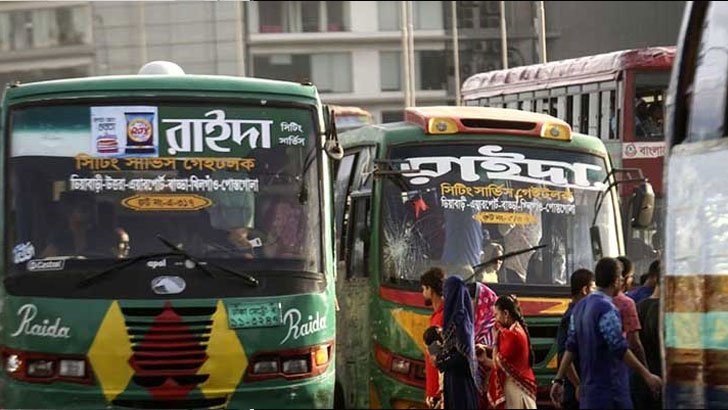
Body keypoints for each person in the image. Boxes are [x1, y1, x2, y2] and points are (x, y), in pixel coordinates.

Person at [550, 257, 662, 409]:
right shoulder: (606, 308)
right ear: (615, 281)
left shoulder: (580, 307)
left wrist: (558, 379)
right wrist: (647, 375)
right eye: (621, 277)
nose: (622, 281)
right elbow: (619, 347)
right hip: (611, 393)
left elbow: (569, 348)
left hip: (589, 395)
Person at [435, 275, 479, 409]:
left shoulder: (462, 321)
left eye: (447, 293)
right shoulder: (451, 321)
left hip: (461, 382)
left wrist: (443, 361)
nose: (444, 298)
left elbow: (463, 356)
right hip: (452, 378)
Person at [555, 269, 596, 410]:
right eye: (593, 288)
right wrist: (578, 385)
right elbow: (564, 355)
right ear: (585, 290)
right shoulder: (572, 316)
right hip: (576, 391)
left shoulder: (580, 313)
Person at [487, 295, 537, 409]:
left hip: (515, 392)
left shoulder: (513, 335)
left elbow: (497, 363)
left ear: (506, 313)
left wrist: (495, 340)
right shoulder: (515, 330)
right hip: (517, 388)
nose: (496, 320)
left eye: (496, 315)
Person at [612, 257, 648, 370]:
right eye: (632, 276)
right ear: (625, 278)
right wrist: (646, 370)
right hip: (619, 368)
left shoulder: (588, 301)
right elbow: (634, 342)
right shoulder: (626, 303)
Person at [632, 276, 662, 409]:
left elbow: (632, 344)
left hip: (639, 378)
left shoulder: (638, 306)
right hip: (660, 378)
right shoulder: (668, 311)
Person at [470, 282, 498, 410]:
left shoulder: (495, 326)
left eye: (471, 300)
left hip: (491, 384)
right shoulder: (473, 323)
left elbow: (501, 358)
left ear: (481, 301)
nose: (468, 305)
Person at [420, 267, 446, 409]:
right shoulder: (438, 315)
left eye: (424, 289)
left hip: (440, 390)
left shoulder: (442, 317)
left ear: (430, 289)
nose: (423, 293)